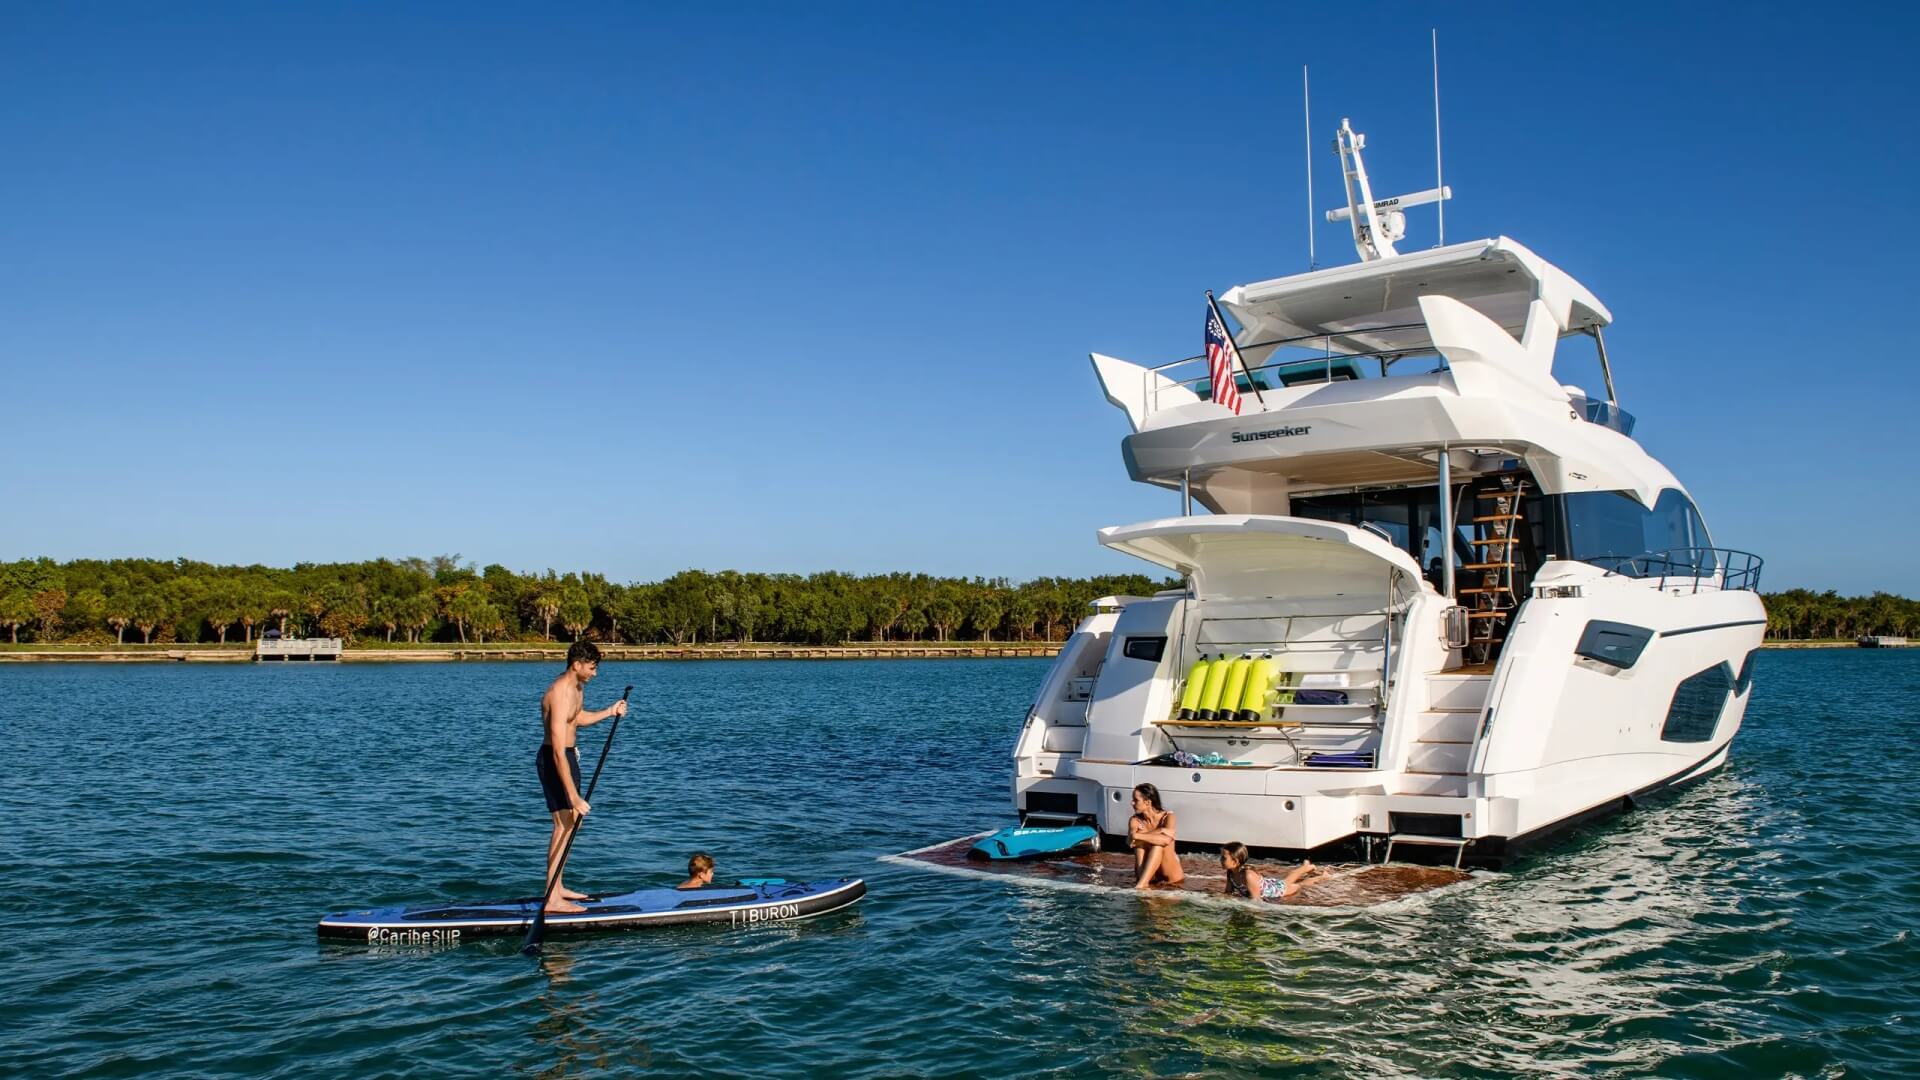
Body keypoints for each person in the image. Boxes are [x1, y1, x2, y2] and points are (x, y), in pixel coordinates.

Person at [536, 640, 628, 913]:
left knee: (573, 823)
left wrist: (610, 711)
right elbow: (555, 750)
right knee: (563, 825)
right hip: (555, 761)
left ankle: (558, 886)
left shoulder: (577, 689)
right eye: (592, 667)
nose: (594, 673)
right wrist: (574, 796)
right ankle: (551, 897)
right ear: (576, 665)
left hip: (568, 757)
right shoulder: (559, 692)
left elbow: (576, 719)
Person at [1219, 841, 1331, 902]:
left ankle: (1322, 876)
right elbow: (1228, 893)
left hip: (1275, 891)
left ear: (1235, 861)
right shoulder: (1230, 873)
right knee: (1287, 880)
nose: (1220, 860)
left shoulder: (1248, 875)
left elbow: (1256, 900)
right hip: (1269, 885)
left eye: (1224, 858)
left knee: (1299, 885)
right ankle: (1306, 867)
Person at [1128, 783, 1185, 889]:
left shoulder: (1168, 817)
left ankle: (1142, 883)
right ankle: (1142, 881)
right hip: (1150, 879)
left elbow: (1166, 841)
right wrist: (1161, 831)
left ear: (1148, 802)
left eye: (1135, 800)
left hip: (1172, 880)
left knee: (1157, 845)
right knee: (1140, 847)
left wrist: (1138, 835)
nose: (1132, 803)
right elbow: (1130, 841)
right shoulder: (1135, 820)